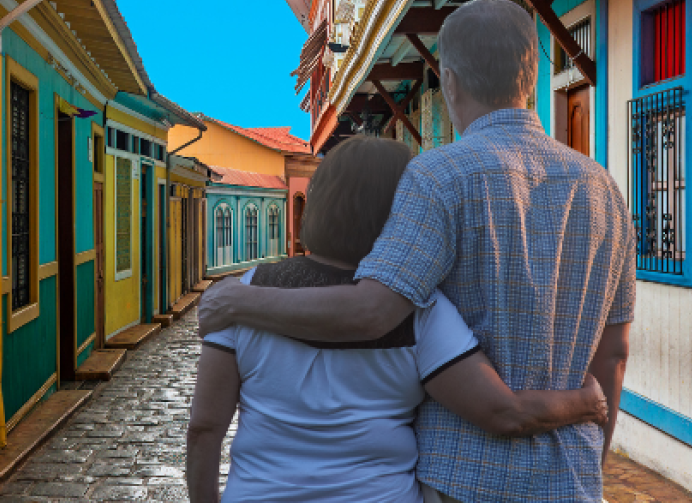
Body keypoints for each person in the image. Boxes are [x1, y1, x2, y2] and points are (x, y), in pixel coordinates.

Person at [199, 0, 636, 502]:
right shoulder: (605, 190)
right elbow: (614, 353)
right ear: (531, 73)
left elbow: (372, 311)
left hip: (462, 478)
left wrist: (240, 300)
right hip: (571, 479)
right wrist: (590, 459)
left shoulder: (439, 176)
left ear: (448, 80)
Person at [187, 136, 609, 503]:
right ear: (402, 215)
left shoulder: (244, 293)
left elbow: (205, 427)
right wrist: (584, 403)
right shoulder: (418, 309)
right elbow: (503, 412)